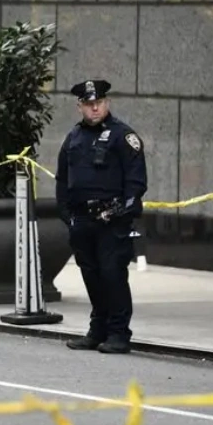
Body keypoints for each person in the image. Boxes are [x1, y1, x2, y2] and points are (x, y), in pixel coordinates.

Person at [55, 79, 148, 354]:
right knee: (91, 276)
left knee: (112, 275)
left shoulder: (123, 136)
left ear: (107, 103)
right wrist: (66, 214)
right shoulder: (73, 137)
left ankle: (119, 333)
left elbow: (136, 181)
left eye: (99, 103)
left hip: (112, 219)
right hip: (81, 220)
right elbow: (63, 178)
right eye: (88, 104)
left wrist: (125, 211)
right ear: (79, 107)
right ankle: (98, 330)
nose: (94, 108)